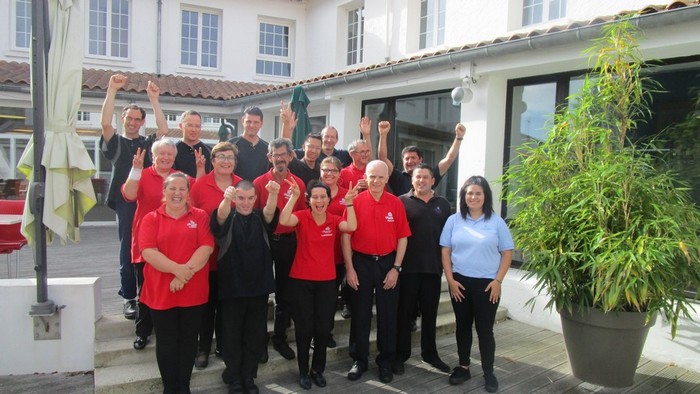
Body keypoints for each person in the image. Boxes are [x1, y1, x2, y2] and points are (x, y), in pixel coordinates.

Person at [278, 179, 358, 390]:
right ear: (309, 200)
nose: (319, 201)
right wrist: (294, 196)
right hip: (301, 281)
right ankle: (304, 371)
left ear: (329, 200)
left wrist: (349, 203)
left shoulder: (333, 220)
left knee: (323, 329)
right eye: (315, 197)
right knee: (304, 329)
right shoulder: (302, 217)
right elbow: (284, 220)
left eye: (323, 197)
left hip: (326, 282)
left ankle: (317, 370)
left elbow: (351, 226)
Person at [138, 172, 214, 394]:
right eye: (172, 188)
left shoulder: (200, 216)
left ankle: (184, 386)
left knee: (189, 341)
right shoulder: (151, 218)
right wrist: (178, 272)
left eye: (183, 189)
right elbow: (148, 252)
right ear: (164, 192)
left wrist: (182, 276)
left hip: (193, 291)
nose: (177, 193)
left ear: (189, 193)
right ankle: (170, 388)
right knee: (167, 342)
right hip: (161, 290)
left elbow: (206, 248)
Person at [99, 74, 167, 320]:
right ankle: (129, 296)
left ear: (141, 122)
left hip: (149, 200)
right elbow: (106, 124)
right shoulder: (116, 142)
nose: (133, 123)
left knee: (154, 246)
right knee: (129, 248)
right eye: (129, 118)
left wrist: (154, 99)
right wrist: (111, 90)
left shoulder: (149, 143)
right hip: (125, 203)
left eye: (138, 119)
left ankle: (148, 293)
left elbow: (163, 129)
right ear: (123, 119)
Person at [439, 175, 514, 393]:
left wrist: (498, 281)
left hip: (487, 285)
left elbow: (507, 253)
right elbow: (445, 251)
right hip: (460, 282)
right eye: (469, 193)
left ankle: (488, 372)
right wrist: (450, 279)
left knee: (484, 330)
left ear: (485, 197)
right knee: (462, 326)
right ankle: (463, 367)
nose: (473, 197)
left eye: (478, 193)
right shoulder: (454, 221)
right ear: (463, 196)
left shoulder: (496, 222)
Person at [342, 160, 411, 384]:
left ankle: (385, 361)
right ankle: (359, 360)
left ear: (387, 179)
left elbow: (402, 237)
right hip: (361, 263)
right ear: (366, 177)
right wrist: (349, 268)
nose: (376, 181)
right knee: (360, 314)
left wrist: (396, 268)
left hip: (388, 264)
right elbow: (346, 235)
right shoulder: (355, 201)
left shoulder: (395, 203)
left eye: (380, 177)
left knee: (388, 315)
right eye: (372, 176)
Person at [211, 180, 278, 394]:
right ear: (234, 199)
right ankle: (233, 377)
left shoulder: (260, 217)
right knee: (231, 335)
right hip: (232, 288)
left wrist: (274, 194)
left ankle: (248, 376)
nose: (246, 203)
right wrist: (226, 199)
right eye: (241, 198)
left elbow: (270, 213)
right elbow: (219, 216)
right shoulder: (227, 217)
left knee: (254, 334)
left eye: (250, 198)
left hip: (258, 288)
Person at [122, 138, 182, 351]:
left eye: (170, 154)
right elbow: (129, 195)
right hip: (147, 244)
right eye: (161, 154)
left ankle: (169, 329)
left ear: (174, 157)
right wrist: (135, 171)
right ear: (153, 156)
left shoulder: (180, 178)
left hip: (174, 244)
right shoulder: (144, 174)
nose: (165, 158)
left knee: (172, 288)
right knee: (145, 290)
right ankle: (143, 332)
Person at [252, 138, 307, 362]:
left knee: (286, 293)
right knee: (261, 293)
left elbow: (302, 217)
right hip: (264, 242)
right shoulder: (258, 182)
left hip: (288, 242)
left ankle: (280, 337)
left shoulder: (299, 184)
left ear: (291, 157)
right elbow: (254, 216)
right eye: (276, 155)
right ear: (270, 158)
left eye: (284, 154)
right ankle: (260, 340)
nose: (280, 158)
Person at [395, 164, 452, 375]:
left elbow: (449, 238)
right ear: (412, 179)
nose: (421, 181)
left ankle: (430, 353)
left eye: (426, 177)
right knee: (404, 315)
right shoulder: (401, 202)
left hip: (432, 270)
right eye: (418, 177)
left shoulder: (443, 204)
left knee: (430, 315)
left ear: (433, 180)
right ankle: (401, 354)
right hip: (407, 270)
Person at [189, 142, 243, 369]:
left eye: (230, 157)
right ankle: (203, 349)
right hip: (207, 259)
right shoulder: (200, 185)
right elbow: (190, 218)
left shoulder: (242, 185)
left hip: (233, 258)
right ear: (212, 161)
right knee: (206, 306)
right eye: (220, 157)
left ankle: (223, 345)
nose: (225, 161)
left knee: (227, 306)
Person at [382, 123, 467, 196]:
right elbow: (383, 158)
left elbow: (448, 160)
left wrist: (458, 138)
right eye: (407, 158)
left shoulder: (429, 176)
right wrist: (383, 134)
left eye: (413, 158)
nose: (410, 161)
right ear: (402, 161)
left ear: (420, 160)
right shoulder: (397, 177)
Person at [318, 156, 351, 338]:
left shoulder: (347, 195)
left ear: (340, 174)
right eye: (326, 170)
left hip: (338, 255)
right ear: (320, 172)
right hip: (315, 256)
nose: (329, 174)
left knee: (330, 298)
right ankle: (317, 332)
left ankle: (326, 333)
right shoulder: (312, 192)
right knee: (318, 299)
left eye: (333, 170)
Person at [338, 118, 386, 190]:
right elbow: (340, 198)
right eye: (362, 152)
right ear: (352, 154)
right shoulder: (343, 173)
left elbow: (383, 193)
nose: (366, 154)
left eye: (367, 151)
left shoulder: (374, 171)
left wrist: (371, 186)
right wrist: (355, 190)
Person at [229, 106, 270, 181]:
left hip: (259, 192)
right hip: (235, 191)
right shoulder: (229, 146)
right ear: (243, 121)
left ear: (261, 124)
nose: (252, 125)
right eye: (249, 121)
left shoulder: (268, 148)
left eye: (256, 122)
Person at [173, 110, 211, 178]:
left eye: (197, 126)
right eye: (189, 125)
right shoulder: (173, 151)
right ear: (181, 126)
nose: (194, 129)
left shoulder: (209, 152)